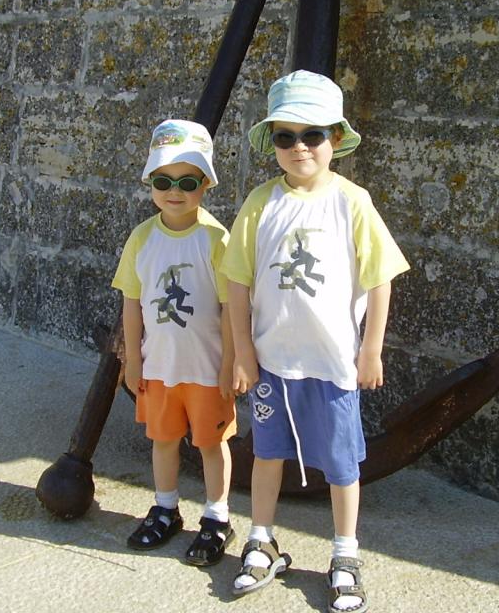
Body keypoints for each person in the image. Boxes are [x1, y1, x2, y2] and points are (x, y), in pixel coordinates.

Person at [222, 70, 410, 613]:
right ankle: (262, 538)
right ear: (273, 142)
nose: (300, 146)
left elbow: (380, 279)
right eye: (286, 136)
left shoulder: (352, 202)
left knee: (342, 465)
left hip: (332, 365)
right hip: (273, 364)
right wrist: (243, 352)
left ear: (336, 139)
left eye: (313, 134)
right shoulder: (261, 203)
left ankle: (345, 552)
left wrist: (370, 349)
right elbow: (237, 283)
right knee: (267, 454)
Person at [112, 118, 237, 566]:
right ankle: (165, 507)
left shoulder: (216, 239)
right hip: (159, 366)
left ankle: (217, 516)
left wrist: (230, 363)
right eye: (163, 181)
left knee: (211, 444)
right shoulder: (142, 238)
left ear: (205, 184)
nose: (174, 191)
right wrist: (133, 360)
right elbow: (132, 304)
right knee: (163, 440)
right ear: (150, 183)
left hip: (205, 368)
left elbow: (230, 307)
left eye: (187, 181)